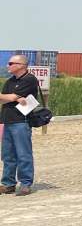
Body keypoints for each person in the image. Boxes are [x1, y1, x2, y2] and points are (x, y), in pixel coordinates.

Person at [1, 54, 41, 196]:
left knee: (23, 154)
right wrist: (12, 98)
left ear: (21, 65)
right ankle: (8, 184)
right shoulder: (9, 82)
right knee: (7, 155)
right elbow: (5, 99)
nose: (8, 66)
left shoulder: (29, 80)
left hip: (21, 121)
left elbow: (9, 97)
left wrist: (11, 97)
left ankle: (25, 184)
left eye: (11, 63)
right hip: (7, 121)